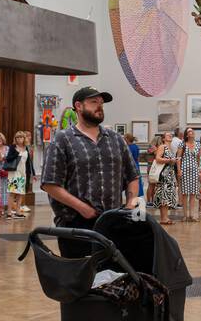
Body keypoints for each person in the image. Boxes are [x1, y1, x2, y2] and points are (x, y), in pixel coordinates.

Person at [39, 86, 140, 244]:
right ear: (78, 106)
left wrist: (130, 207)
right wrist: (82, 208)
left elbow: (133, 176)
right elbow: (49, 183)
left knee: (112, 268)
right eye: (94, 102)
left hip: (112, 222)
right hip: (75, 223)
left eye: (101, 102)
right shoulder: (62, 139)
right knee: (80, 267)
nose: (99, 106)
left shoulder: (116, 139)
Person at [3, 131, 36, 219]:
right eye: (17, 137)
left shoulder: (27, 148)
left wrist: (34, 173)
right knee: (12, 193)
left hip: (23, 173)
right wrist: (17, 152)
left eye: (21, 137)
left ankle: (18, 212)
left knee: (21, 193)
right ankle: (9, 213)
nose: (19, 139)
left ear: (24, 138)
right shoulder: (13, 147)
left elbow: (29, 162)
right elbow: (8, 158)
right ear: (15, 139)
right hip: (14, 172)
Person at [152, 129, 180, 224]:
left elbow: (171, 163)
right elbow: (158, 158)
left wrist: (175, 178)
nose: (170, 136)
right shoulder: (162, 147)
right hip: (164, 175)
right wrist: (169, 161)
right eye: (168, 135)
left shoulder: (171, 149)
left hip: (170, 175)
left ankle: (165, 217)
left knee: (168, 196)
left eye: (170, 135)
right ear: (163, 138)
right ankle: (163, 218)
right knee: (163, 195)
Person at [178, 127, 201, 221]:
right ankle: (185, 215)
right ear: (186, 134)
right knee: (184, 193)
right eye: (189, 131)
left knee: (193, 193)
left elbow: (198, 158)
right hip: (184, 170)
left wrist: (199, 170)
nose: (191, 132)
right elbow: (178, 158)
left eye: (192, 131)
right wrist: (179, 170)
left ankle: (191, 215)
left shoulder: (198, 144)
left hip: (194, 170)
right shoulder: (182, 144)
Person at [124, 133, 144, 199]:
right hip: (136, 165)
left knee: (130, 184)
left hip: (130, 166)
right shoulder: (135, 146)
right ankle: (135, 202)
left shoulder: (128, 147)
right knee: (137, 184)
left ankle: (130, 202)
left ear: (127, 139)